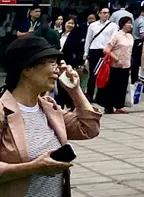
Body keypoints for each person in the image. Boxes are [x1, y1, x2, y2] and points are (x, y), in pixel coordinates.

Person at [0, 35, 99, 195]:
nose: (57, 69)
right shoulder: (3, 111)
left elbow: (89, 128)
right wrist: (32, 168)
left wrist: (75, 90)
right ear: (27, 69)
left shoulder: (49, 108)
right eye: (51, 62)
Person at [100, 16, 134, 114]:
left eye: (131, 23)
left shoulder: (130, 36)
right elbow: (106, 50)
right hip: (115, 65)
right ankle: (109, 106)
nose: (130, 25)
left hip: (126, 65)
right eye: (128, 23)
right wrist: (116, 59)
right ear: (123, 24)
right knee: (112, 86)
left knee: (122, 86)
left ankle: (119, 106)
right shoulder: (116, 36)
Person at [84, 7, 113, 101]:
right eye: (104, 13)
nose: (106, 14)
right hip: (94, 50)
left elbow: (113, 39)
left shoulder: (112, 25)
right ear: (99, 14)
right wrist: (86, 52)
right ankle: (90, 95)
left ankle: (101, 97)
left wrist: (109, 50)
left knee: (104, 74)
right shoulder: (93, 26)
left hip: (105, 51)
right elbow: (88, 39)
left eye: (107, 13)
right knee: (93, 73)